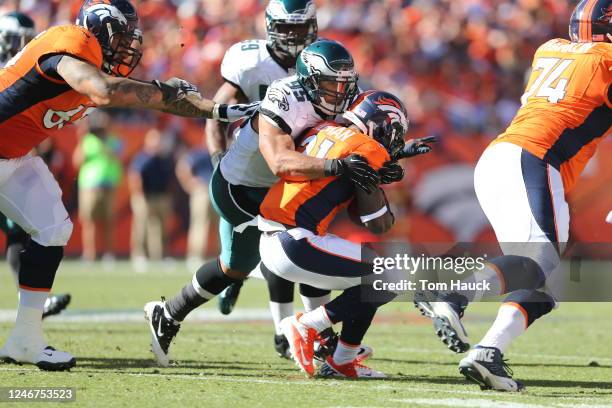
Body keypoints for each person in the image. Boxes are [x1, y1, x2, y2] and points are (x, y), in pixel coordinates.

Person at [0, 0, 255, 371]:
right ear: (99, 29)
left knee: (53, 227)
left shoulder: (95, 65)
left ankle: (25, 339)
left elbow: (155, 98)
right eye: (120, 37)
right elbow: (104, 90)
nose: (127, 46)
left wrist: (213, 110)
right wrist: (163, 90)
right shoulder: (71, 43)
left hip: (12, 156)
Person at [144, 39, 382, 367]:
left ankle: (172, 312)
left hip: (279, 187)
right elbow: (280, 162)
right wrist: (337, 166)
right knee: (267, 255)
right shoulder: (285, 97)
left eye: (344, 84)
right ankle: (298, 334)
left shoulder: (333, 101)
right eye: (330, 84)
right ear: (311, 82)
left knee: (267, 257)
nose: (339, 92)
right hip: (242, 187)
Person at [415, 0, 611, 391]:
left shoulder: (550, 48)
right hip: (535, 159)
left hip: (500, 156)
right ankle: (451, 292)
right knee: (540, 257)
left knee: (538, 281)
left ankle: (488, 351)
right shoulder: (606, 59)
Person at [260, 90, 434, 378]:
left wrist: (389, 160)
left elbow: (344, 154)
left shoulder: (321, 128)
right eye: (394, 132)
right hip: (295, 240)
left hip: (275, 237)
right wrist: (382, 170)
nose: (395, 139)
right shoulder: (368, 149)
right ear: (381, 124)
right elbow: (378, 222)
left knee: (372, 279)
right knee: (388, 275)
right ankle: (307, 325)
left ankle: (343, 360)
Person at [204, 0, 319, 354]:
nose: (296, 36)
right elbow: (217, 112)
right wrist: (217, 158)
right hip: (252, 163)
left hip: (293, 169)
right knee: (237, 261)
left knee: (288, 250)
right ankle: (234, 279)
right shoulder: (251, 62)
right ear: (270, 26)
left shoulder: (319, 60)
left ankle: (287, 334)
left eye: (301, 28)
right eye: (288, 28)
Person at [0, 11, 72, 319]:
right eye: (20, 40)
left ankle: (31, 307)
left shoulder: (29, 69)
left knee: (22, 233)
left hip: (12, 160)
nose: (25, 45)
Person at [73, 110, 122, 262]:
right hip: (89, 186)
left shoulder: (114, 141)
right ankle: (90, 254)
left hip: (109, 185)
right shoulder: (87, 140)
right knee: (89, 222)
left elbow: (118, 155)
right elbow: (77, 162)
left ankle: (109, 254)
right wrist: (81, 138)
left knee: (108, 221)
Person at [128, 128, 175, 267]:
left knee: (161, 227)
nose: (158, 142)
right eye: (155, 139)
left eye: (159, 140)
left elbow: (169, 178)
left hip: (162, 196)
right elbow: (135, 176)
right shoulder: (142, 157)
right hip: (145, 196)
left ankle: (160, 255)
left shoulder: (164, 158)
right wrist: (139, 195)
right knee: (141, 226)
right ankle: (139, 254)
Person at [175, 140, 216, 270]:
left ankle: (220, 257)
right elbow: (182, 167)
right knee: (200, 223)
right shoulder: (200, 152)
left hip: (217, 191)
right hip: (202, 190)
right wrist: (188, 184)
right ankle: (195, 256)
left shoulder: (224, 152)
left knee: (221, 226)